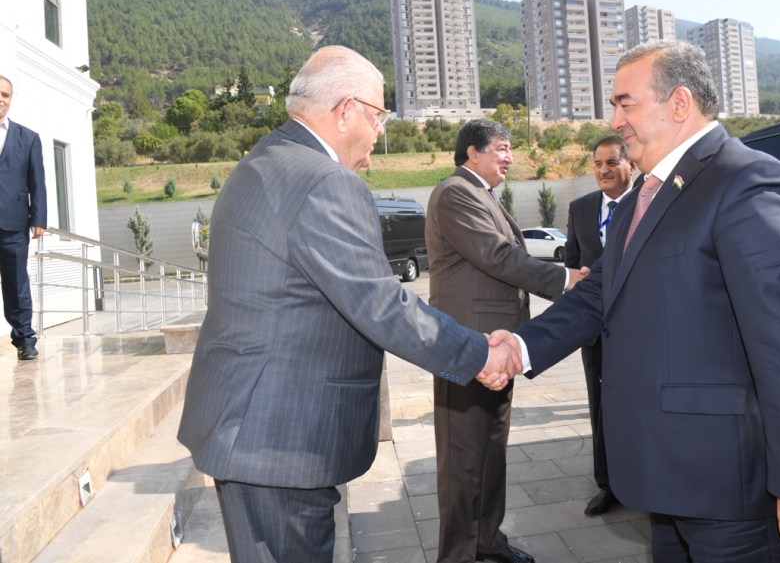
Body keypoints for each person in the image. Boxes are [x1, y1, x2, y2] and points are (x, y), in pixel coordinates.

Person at [489, 40, 780, 562]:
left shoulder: (746, 181)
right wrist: (519, 348)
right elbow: (597, 295)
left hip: (731, 488)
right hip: (665, 478)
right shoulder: (641, 198)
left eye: (624, 103)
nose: (615, 120)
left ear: (679, 103)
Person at [177, 47, 522, 563]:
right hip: (280, 440)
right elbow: (381, 304)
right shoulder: (325, 181)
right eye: (379, 115)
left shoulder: (263, 162)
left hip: (251, 426)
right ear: (345, 111)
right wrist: (480, 354)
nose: (380, 132)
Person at [426, 118, 587, 563]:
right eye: (501, 148)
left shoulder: (483, 195)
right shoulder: (455, 192)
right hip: (469, 348)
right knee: (463, 461)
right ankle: (458, 555)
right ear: (472, 152)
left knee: (490, 452)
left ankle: (487, 542)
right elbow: (497, 256)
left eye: (510, 149)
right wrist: (565, 279)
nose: (510, 157)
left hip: (498, 349)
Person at [563, 135, 635, 516]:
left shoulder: (650, 203)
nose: (603, 170)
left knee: (640, 408)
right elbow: (571, 262)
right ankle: (608, 485)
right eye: (597, 164)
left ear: (631, 166)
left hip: (641, 330)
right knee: (600, 409)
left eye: (611, 163)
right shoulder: (580, 209)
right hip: (595, 332)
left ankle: (645, 481)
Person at [0, 75, 46, 361]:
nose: (0, 99)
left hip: (14, 224)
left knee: (17, 284)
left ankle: (25, 340)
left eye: (5, 94)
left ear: (10, 99)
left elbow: (37, 181)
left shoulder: (28, 138)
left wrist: (38, 218)